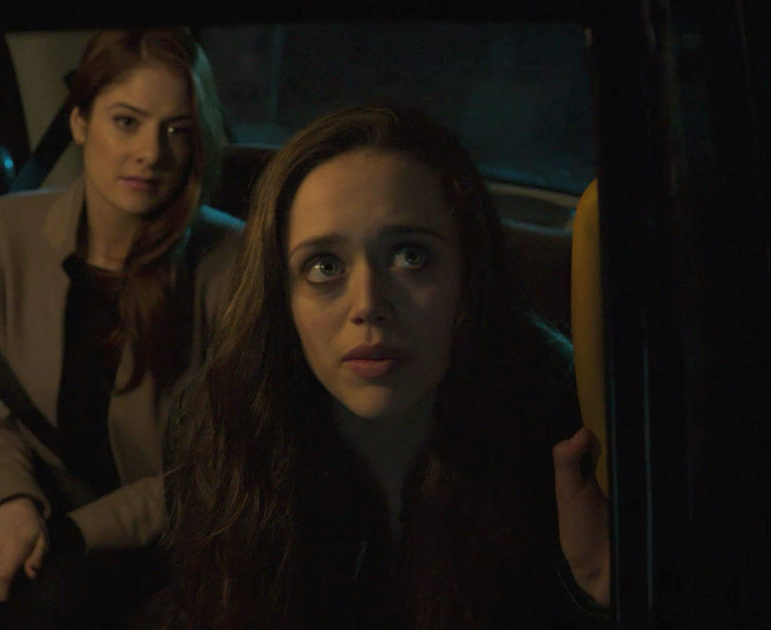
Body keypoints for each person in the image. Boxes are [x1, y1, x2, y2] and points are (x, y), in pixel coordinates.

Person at [163, 104, 611, 629]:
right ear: (281, 297)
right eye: (324, 266)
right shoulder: (223, 428)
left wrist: (600, 592)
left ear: (469, 273)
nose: (369, 304)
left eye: (410, 257)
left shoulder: (559, 422)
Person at [0, 28, 239, 629]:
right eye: (126, 122)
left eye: (176, 130)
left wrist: (74, 533)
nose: (151, 153)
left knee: (54, 601)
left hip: (146, 523)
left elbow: (216, 468)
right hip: (9, 482)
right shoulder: (1, 234)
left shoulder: (231, 263)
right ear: (80, 122)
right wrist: (8, 505)